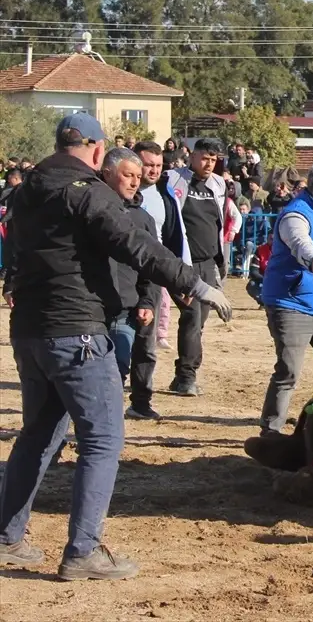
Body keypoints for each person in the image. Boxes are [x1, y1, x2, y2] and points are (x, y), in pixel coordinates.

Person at [0, 114, 231, 580]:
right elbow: (136, 244)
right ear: (98, 151)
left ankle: (7, 538)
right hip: (78, 331)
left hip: (29, 329)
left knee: (38, 435)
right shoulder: (87, 192)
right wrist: (196, 285)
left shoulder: (25, 192)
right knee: (103, 439)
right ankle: (82, 551)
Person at [257, 160, 313, 436]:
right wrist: (311, 259)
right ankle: (270, 431)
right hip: (291, 306)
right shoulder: (295, 215)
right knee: (289, 372)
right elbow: (300, 242)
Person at [127, 141, 188, 421]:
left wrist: (182, 278)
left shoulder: (165, 195)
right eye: (147, 165)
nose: (152, 170)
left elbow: (177, 237)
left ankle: (140, 402)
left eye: (158, 165)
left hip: (152, 277)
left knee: (146, 345)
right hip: (118, 276)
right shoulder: (112, 195)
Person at [163, 137, 228, 397]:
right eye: (205, 158)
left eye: (213, 160)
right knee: (191, 317)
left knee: (198, 323)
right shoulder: (172, 179)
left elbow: (220, 220)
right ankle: (186, 377)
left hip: (209, 263)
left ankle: (183, 375)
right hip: (182, 264)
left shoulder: (219, 184)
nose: (209, 164)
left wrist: (221, 260)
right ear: (192, 156)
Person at [99, 148, 159, 386]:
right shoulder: (85, 210)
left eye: (138, 176)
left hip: (125, 309)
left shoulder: (143, 219)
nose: (135, 182)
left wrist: (147, 301)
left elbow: (151, 265)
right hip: (88, 309)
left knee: (117, 369)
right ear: (107, 174)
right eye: (128, 175)